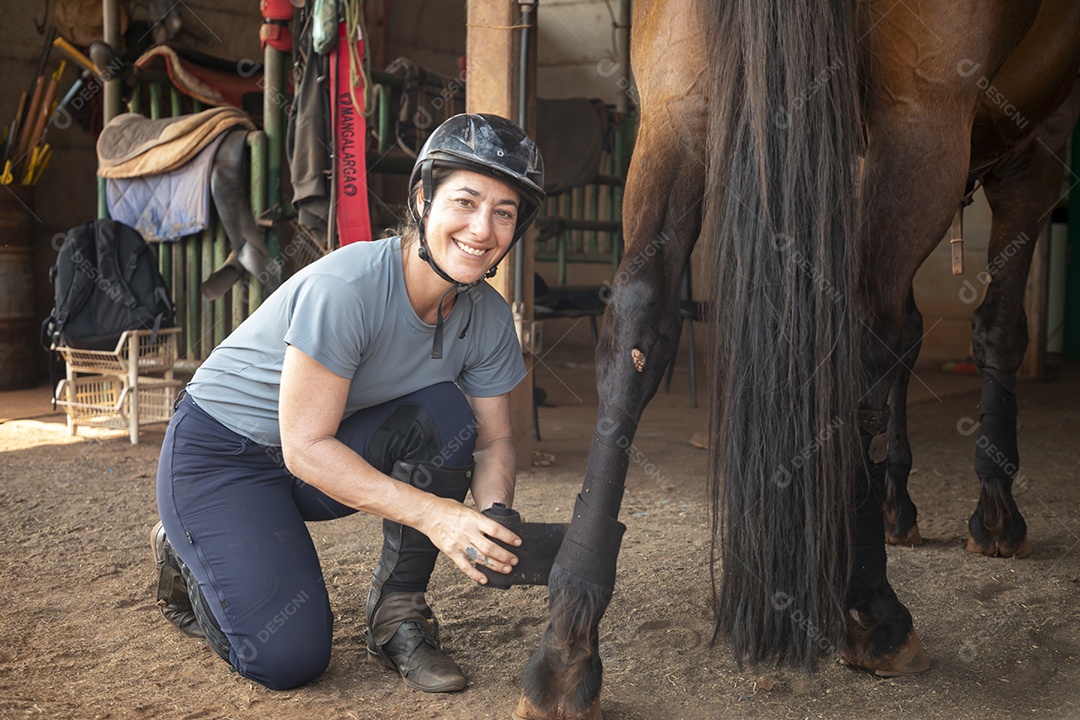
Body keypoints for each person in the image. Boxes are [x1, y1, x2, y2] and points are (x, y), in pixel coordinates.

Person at [152, 113, 545, 693]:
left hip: (318, 451)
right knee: (288, 659)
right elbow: (305, 448)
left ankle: (398, 621)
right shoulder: (347, 288)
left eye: (504, 212)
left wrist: (492, 520)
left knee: (446, 416)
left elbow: (493, 441)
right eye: (464, 201)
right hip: (222, 455)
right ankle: (185, 548)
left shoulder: (485, 315)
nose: (482, 229)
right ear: (422, 200)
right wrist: (438, 516)